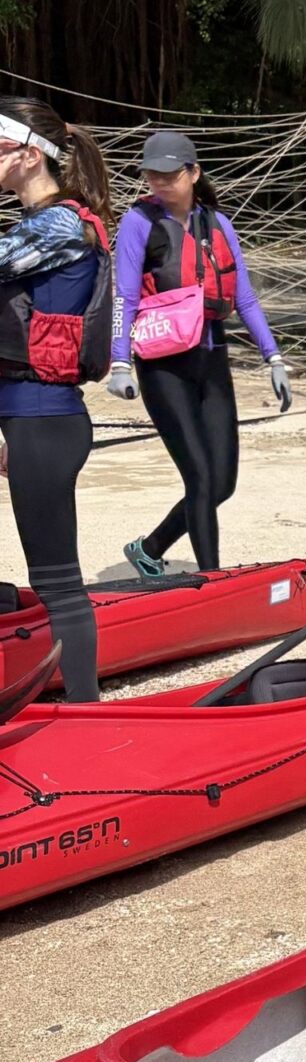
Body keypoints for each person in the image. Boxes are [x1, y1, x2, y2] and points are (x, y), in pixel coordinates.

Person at [106, 130, 291, 576]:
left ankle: (149, 547)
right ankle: (212, 579)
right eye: (152, 174)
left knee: (222, 482)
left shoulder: (218, 224)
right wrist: (118, 361)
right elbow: (124, 296)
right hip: (162, 365)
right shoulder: (138, 222)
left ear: (193, 172)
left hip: (211, 359)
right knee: (201, 480)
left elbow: (244, 298)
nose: (159, 182)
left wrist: (274, 358)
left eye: (169, 174)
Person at [0, 96, 113, 702]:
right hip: (23, 416)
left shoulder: (59, 225)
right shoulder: (34, 225)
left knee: (57, 581)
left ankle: (84, 708)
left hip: (42, 420)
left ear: (26, 153)